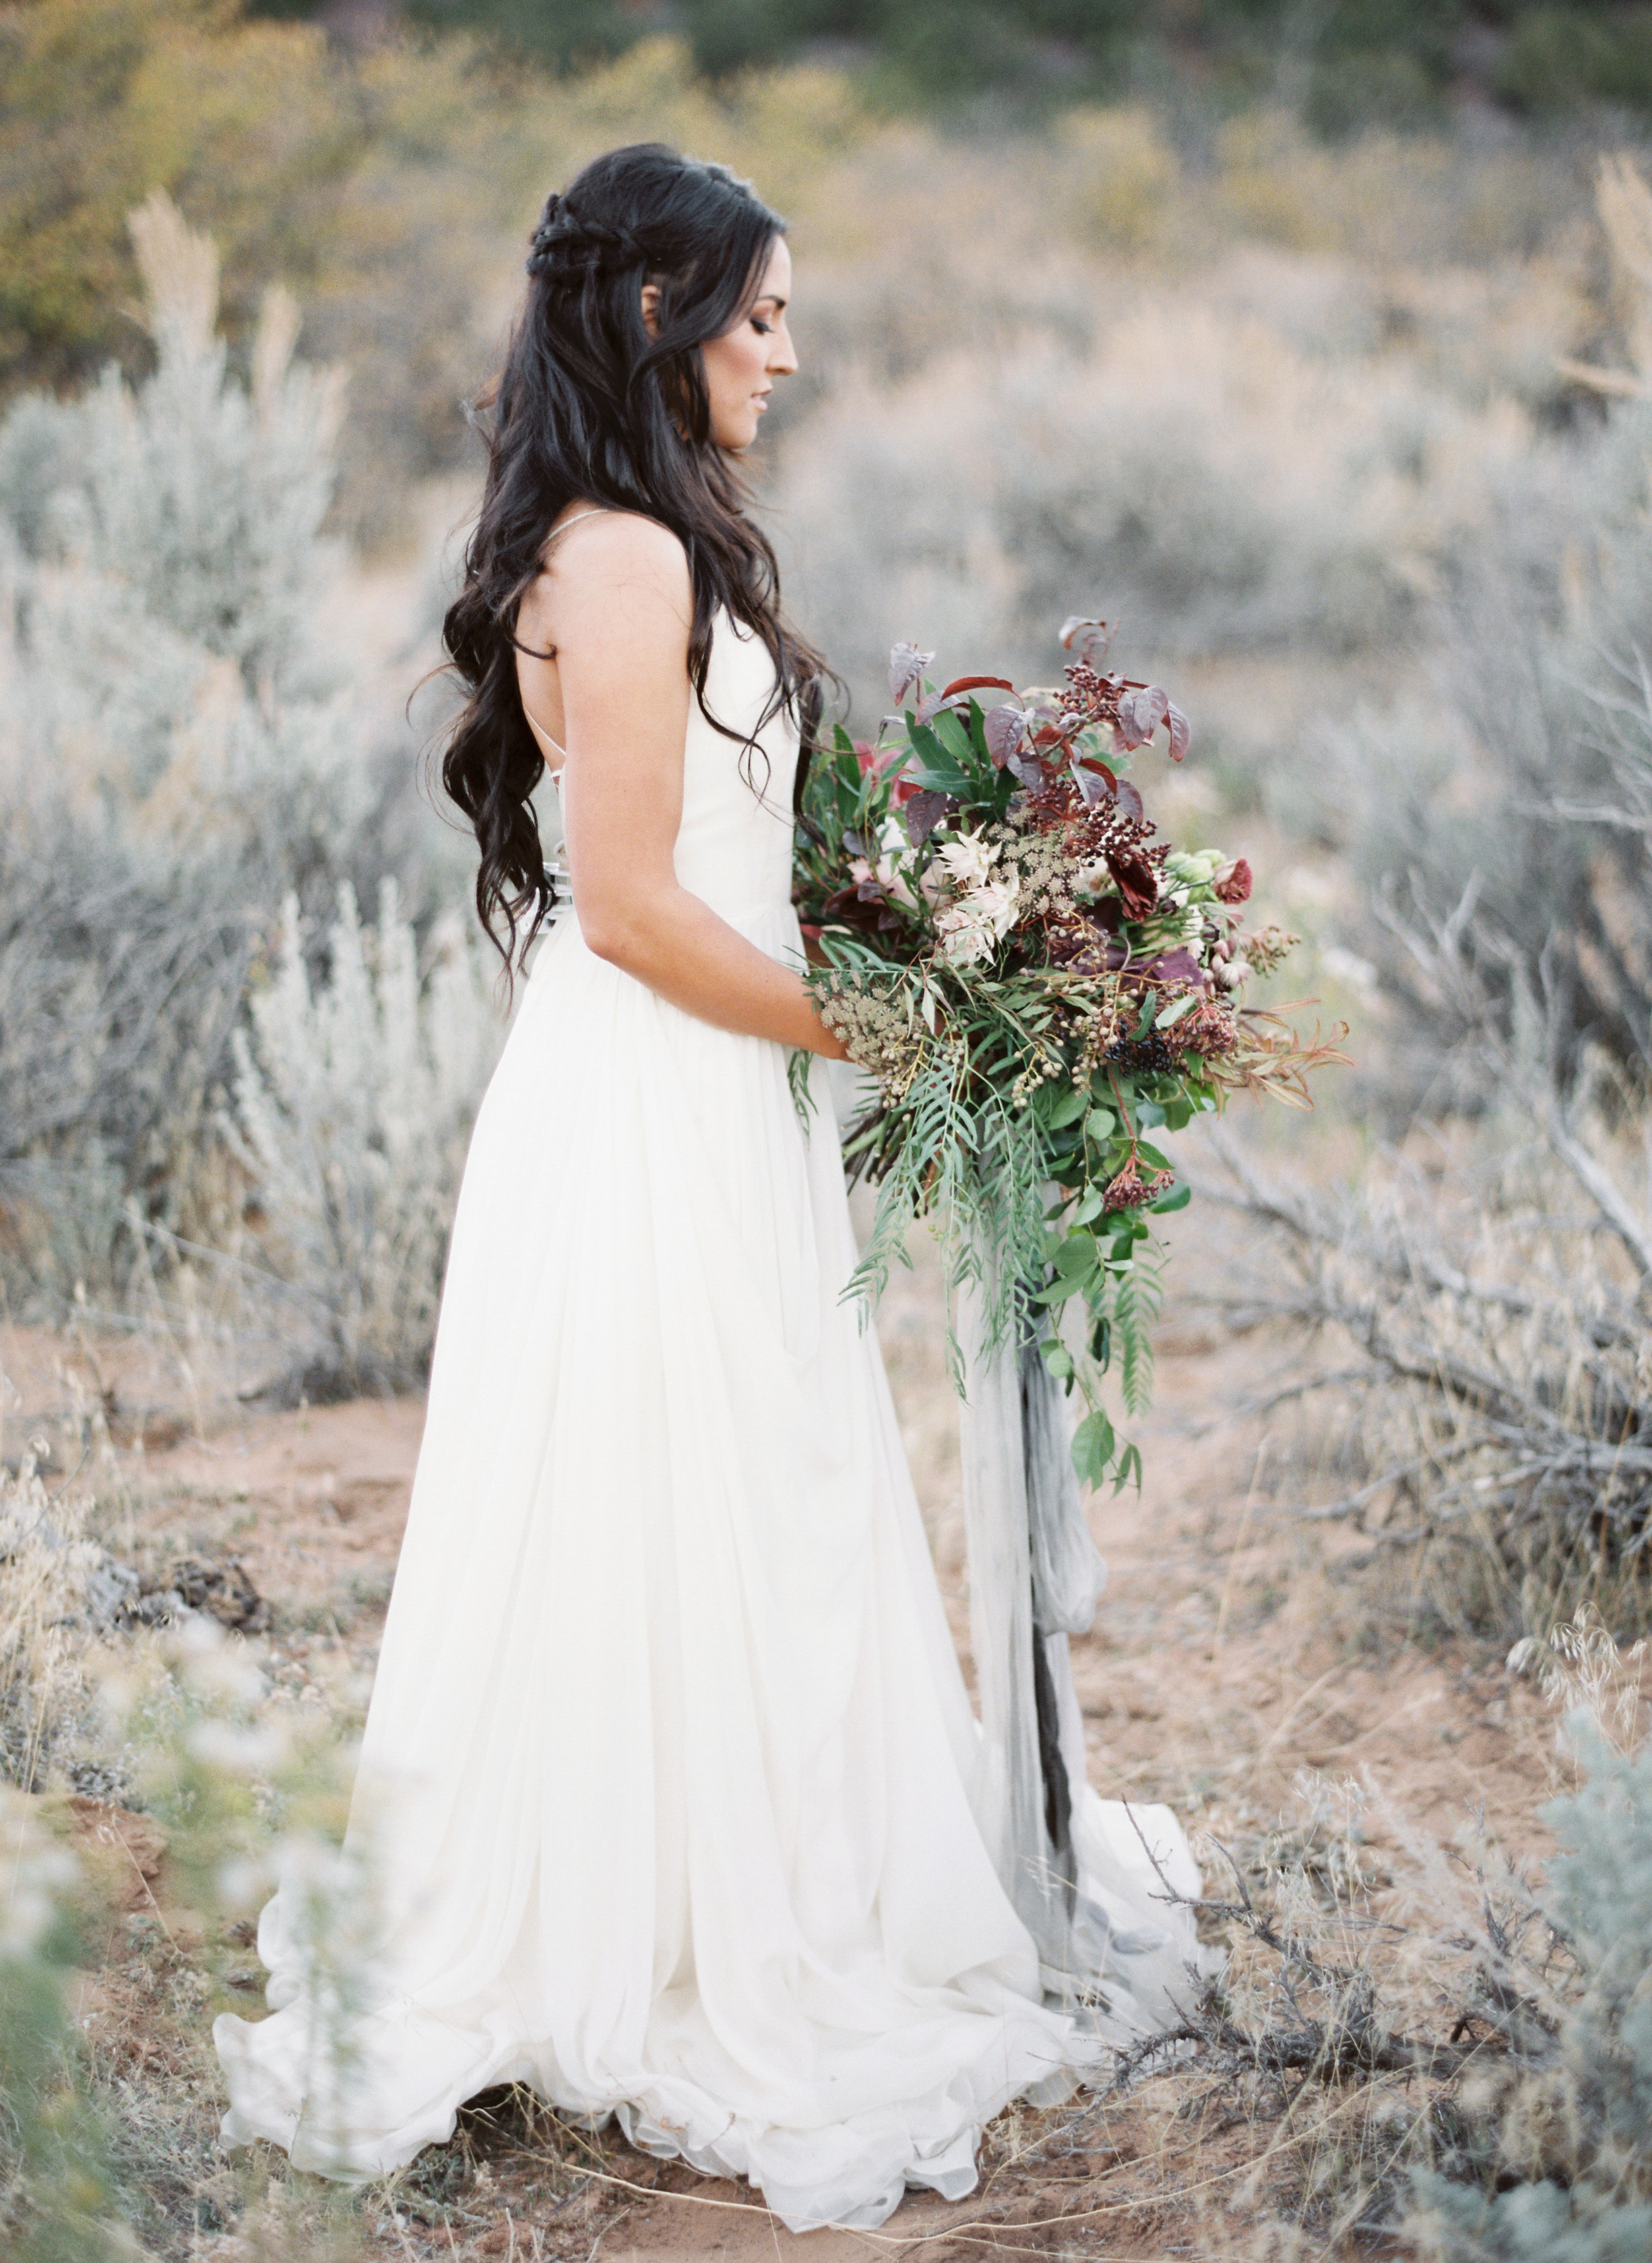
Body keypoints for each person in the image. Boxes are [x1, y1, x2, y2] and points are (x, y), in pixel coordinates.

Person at [214, 140, 1198, 2234]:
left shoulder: (643, 538)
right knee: (687, 1489)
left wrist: (904, 932)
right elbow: (644, 910)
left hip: (692, 1086)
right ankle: (675, 1931)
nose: (789, 351)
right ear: (657, 317)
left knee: (734, 1495)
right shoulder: (630, 561)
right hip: (656, 1089)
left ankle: (712, 1872)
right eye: (760, 313)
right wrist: (901, 1038)